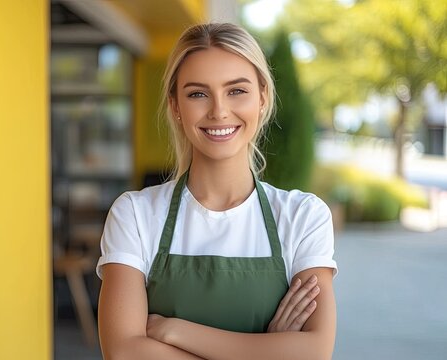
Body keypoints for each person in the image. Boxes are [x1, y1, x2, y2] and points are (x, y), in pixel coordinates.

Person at [96, 23, 337, 360]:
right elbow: (123, 352)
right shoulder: (135, 215)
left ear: (263, 97)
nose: (219, 111)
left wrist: (174, 330)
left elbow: (314, 352)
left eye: (237, 91)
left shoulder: (303, 216)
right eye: (198, 93)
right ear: (176, 106)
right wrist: (268, 350)